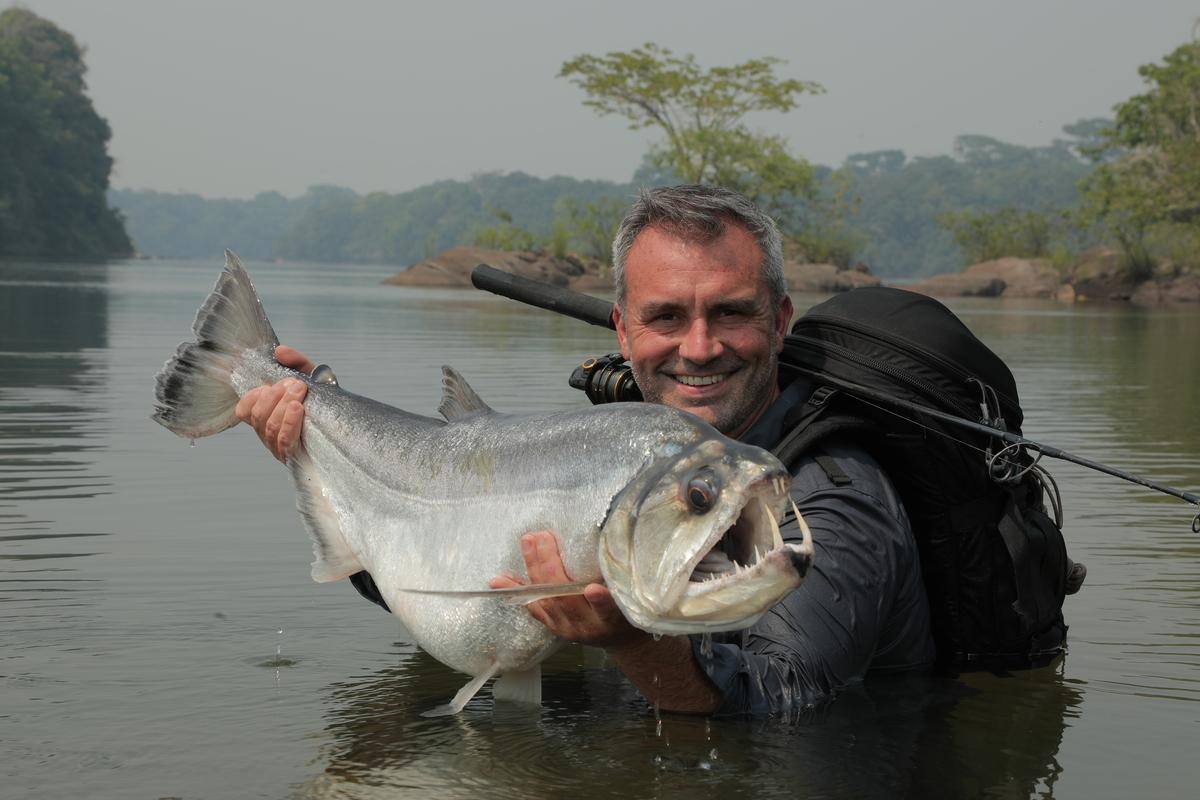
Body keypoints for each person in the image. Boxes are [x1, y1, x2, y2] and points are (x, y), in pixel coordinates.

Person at [235, 185, 935, 714]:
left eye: (730, 312)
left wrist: (631, 645)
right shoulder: (613, 455)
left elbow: (785, 703)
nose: (699, 347)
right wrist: (316, 433)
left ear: (779, 321)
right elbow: (446, 578)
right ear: (623, 333)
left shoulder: (834, 494)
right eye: (666, 317)